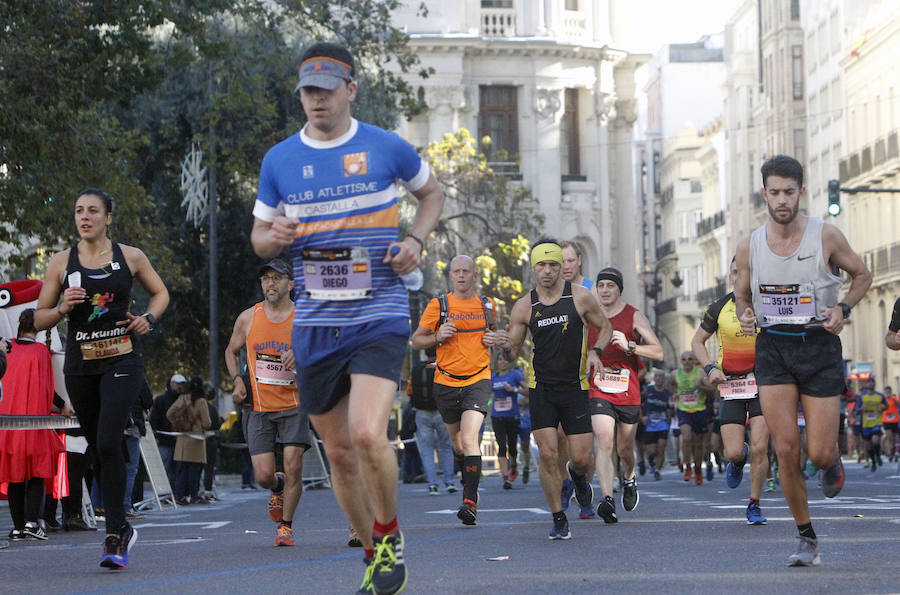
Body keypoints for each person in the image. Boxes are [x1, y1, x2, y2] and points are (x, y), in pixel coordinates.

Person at [250, 41, 443, 594]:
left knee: (364, 433)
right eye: (308, 91)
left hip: (379, 310)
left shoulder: (385, 147)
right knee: (336, 451)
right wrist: (274, 236)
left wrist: (416, 239)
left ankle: (389, 532)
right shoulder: (280, 159)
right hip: (313, 323)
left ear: (350, 90)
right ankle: (375, 554)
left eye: (327, 90)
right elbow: (260, 237)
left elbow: (432, 194)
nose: (317, 101)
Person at [734, 154, 872, 566]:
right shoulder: (749, 245)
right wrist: (745, 311)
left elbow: (862, 275)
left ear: (801, 192)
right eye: (774, 192)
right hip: (773, 347)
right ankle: (805, 537)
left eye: (789, 192)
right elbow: (743, 293)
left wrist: (842, 310)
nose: (781, 200)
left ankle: (831, 463)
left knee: (821, 453)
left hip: (818, 346)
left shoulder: (825, 236)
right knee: (786, 448)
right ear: (764, 193)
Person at [34, 187, 169, 569]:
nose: (85, 217)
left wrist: (149, 319)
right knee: (99, 448)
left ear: (108, 217)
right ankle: (120, 524)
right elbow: (38, 318)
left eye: (93, 210)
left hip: (123, 359)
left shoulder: (131, 256)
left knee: (110, 439)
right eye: (79, 211)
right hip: (81, 366)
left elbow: (160, 294)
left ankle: (115, 531)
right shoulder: (61, 263)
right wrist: (61, 308)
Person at [504, 239, 612, 540]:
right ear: (534, 268)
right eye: (542, 265)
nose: (549, 271)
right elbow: (511, 353)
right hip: (542, 389)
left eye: (554, 264)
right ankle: (558, 516)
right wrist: (504, 349)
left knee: (581, 458)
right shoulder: (525, 306)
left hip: (575, 387)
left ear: (562, 267)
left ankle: (577, 477)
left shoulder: (580, 297)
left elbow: (605, 328)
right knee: (549, 455)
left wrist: (596, 352)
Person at [410, 255, 503, 525]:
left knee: (469, 439)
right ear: (450, 275)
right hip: (447, 382)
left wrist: (496, 338)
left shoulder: (487, 305)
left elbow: (493, 335)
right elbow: (416, 341)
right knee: (457, 443)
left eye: (466, 271)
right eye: (456, 271)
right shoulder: (438, 305)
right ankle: (467, 475)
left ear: (475, 276)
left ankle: (470, 501)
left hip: (478, 379)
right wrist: (438, 336)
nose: (461, 275)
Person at [225, 259, 312, 547]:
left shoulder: (303, 318)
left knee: (294, 466)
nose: (270, 283)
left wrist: (301, 358)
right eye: (265, 279)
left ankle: (285, 527)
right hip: (258, 407)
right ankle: (276, 487)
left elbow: (322, 357)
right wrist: (237, 379)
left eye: (277, 278)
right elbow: (231, 350)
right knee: (262, 475)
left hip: (294, 404)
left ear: (291, 283)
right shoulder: (248, 317)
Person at [691, 257, 770, 525]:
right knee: (734, 452)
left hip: (762, 384)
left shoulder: (765, 304)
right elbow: (697, 341)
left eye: (744, 273)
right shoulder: (718, 307)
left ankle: (754, 503)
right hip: (731, 386)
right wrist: (710, 368)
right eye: (734, 272)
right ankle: (738, 460)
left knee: (761, 447)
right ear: (730, 276)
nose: (738, 277)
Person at [588, 267, 663, 522]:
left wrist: (632, 345)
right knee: (604, 440)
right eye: (601, 286)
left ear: (619, 289)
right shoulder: (590, 316)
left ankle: (629, 478)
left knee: (624, 449)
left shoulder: (633, 315)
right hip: (598, 389)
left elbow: (659, 352)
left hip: (627, 391)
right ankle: (607, 498)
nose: (605, 290)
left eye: (611, 286)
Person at [0, 309, 65, 541]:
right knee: (37, 473)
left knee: (15, 475)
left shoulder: (7, 348)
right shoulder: (40, 352)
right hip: (35, 422)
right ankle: (31, 522)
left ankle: (17, 527)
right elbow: (47, 389)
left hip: (9, 424)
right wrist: (62, 405)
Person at [556, 241, 592, 514]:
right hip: (559, 374)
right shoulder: (550, 292)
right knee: (558, 434)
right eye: (561, 261)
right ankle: (567, 481)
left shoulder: (592, 289)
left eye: (569, 260)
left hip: (589, 373)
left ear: (579, 260)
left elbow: (605, 323)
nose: (565, 266)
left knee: (584, 440)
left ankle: (583, 485)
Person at [408, 348, 457, 495]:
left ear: (425, 353)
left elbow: (410, 392)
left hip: (421, 413)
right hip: (441, 412)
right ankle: (449, 481)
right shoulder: (444, 366)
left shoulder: (416, 369)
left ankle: (433, 485)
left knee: (427, 450)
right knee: (446, 447)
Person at [167, 376, 212, 505]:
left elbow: (169, 413)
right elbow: (207, 423)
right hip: (196, 438)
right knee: (195, 469)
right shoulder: (201, 401)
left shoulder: (183, 398)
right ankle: (194, 495)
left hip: (182, 438)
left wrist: (178, 424)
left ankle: (180, 495)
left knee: (182, 469)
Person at [490, 351, 528, 490]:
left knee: (512, 447)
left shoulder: (515, 375)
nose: (503, 362)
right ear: (497, 362)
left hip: (512, 416)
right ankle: (505, 478)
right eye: (500, 359)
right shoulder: (492, 377)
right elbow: (486, 392)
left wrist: (514, 389)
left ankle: (513, 465)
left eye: (505, 360)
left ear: (509, 362)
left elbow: (528, 391)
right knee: (501, 446)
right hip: (497, 416)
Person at [671, 352, 708, 485]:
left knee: (698, 444)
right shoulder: (675, 374)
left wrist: (701, 386)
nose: (687, 362)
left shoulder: (701, 373)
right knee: (686, 439)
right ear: (681, 361)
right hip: (684, 410)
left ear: (694, 361)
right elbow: (671, 386)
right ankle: (687, 467)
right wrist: (674, 395)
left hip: (699, 410)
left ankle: (697, 469)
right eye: (684, 359)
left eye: (690, 359)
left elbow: (712, 389)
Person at [150, 374, 188, 489]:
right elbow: (154, 419)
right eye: (178, 384)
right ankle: (165, 492)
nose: (180, 387)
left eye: (182, 384)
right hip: (164, 441)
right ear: (171, 384)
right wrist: (156, 435)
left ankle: (175, 492)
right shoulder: (161, 400)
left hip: (179, 441)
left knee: (178, 469)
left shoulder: (184, 400)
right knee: (165, 468)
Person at [123, 380, 153, 517]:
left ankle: (98, 505)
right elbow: (148, 400)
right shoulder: (136, 374)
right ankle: (125, 505)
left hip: (112, 424)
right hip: (131, 425)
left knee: (107, 467)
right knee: (130, 468)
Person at [642, 370, 671, 480]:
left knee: (661, 447)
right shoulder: (648, 390)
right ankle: (651, 460)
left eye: (661, 376)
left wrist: (671, 410)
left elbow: (671, 408)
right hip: (650, 424)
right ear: (654, 378)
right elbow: (640, 403)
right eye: (657, 376)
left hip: (663, 424)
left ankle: (657, 470)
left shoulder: (667, 393)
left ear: (664, 379)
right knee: (651, 451)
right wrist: (642, 416)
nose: (659, 378)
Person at [855, 379, 887, 471]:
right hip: (866, 424)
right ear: (866, 384)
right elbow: (856, 408)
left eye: (873, 382)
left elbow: (886, 405)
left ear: (875, 384)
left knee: (876, 440)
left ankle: (878, 456)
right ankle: (873, 462)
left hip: (876, 422)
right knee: (868, 446)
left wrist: (882, 408)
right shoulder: (862, 396)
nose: (871, 384)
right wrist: (861, 408)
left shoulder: (880, 396)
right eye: (869, 382)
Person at [201, 381, 222, 500]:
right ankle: (208, 490)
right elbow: (217, 424)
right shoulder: (212, 408)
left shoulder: (196, 405)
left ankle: (195, 491)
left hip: (198, 438)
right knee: (209, 466)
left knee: (197, 466)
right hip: (210, 440)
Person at [883, 386, 899, 462]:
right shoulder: (883, 400)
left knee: (895, 438)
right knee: (889, 438)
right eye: (886, 392)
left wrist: (893, 399)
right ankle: (891, 452)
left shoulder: (895, 398)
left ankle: (895, 452)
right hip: (886, 421)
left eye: (889, 391)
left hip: (895, 421)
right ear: (884, 392)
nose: (888, 393)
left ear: (891, 391)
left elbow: (899, 404)